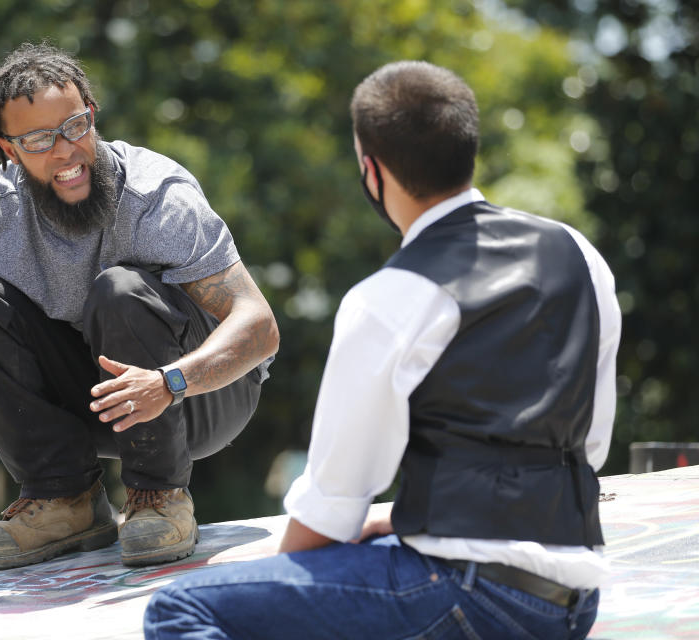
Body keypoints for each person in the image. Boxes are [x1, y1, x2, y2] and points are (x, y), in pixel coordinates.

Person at [144, 61, 621, 639]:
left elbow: (332, 505)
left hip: (464, 597)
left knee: (182, 608)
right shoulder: (577, 254)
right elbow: (584, 447)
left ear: (372, 172)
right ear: (468, 148)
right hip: (572, 599)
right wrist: (406, 521)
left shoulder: (390, 295)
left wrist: (279, 587)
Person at [0, 43, 279, 570]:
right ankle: (66, 499)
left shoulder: (157, 197)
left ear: (93, 113)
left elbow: (258, 326)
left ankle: (159, 498)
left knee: (119, 290)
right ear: (9, 150)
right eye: (39, 139)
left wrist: (169, 382)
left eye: (74, 126)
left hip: (199, 396)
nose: (65, 151)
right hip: (98, 398)